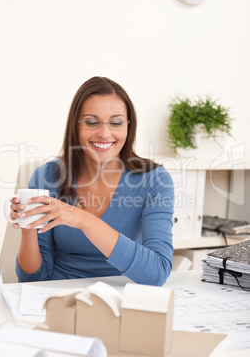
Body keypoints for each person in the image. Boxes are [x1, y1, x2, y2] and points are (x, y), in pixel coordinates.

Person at [11, 76, 174, 286]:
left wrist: (84, 220)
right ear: (75, 125)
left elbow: (157, 273)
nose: (104, 133)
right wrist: (27, 225)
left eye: (116, 123)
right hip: (59, 300)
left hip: (123, 302)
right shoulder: (46, 178)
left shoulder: (154, 180)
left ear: (128, 126)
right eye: (91, 122)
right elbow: (32, 278)